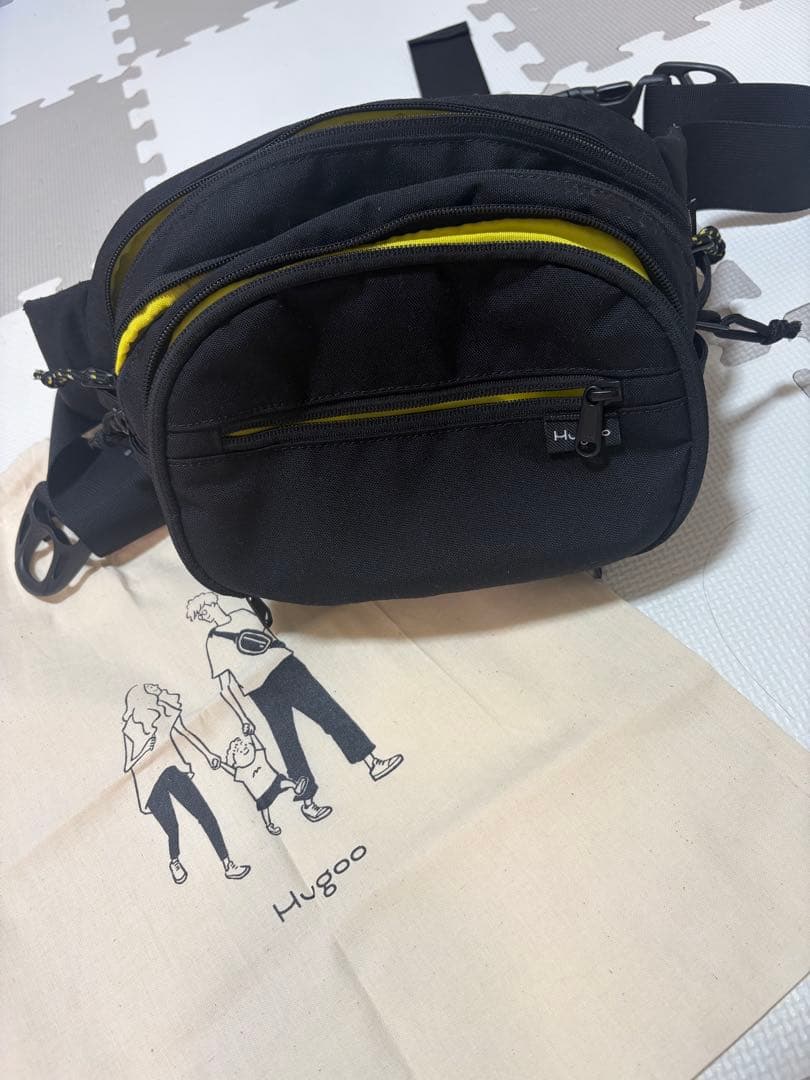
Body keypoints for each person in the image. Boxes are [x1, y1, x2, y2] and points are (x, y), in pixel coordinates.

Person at [185, 593, 403, 822]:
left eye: (204, 609)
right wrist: (242, 717)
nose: (205, 615)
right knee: (287, 741)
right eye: (201, 614)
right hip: (261, 690)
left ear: (213, 603)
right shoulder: (214, 642)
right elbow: (225, 687)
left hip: (285, 666)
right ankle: (308, 802)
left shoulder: (242, 614)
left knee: (329, 711)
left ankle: (372, 762)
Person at [121, 683, 250, 885]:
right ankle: (175, 861)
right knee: (172, 827)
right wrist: (146, 749)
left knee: (205, 815)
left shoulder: (165, 712)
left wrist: (208, 754)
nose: (156, 691)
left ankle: (228, 864)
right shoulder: (131, 728)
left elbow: (184, 732)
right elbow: (128, 765)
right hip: (150, 784)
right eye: (151, 691)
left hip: (171, 771)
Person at [212, 730, 308, 835]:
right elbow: (232, 771)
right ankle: (269, 825)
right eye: (239, 751)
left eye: (245, 746)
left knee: (284, 782)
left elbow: (258, 745)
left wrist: (252, 734)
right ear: (235, 763)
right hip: (262, 795)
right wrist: (221, 764)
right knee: (265, 809)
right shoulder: (241, 772)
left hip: (275, 782)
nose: (244, 749)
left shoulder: (258, 755)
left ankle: (296, 787)